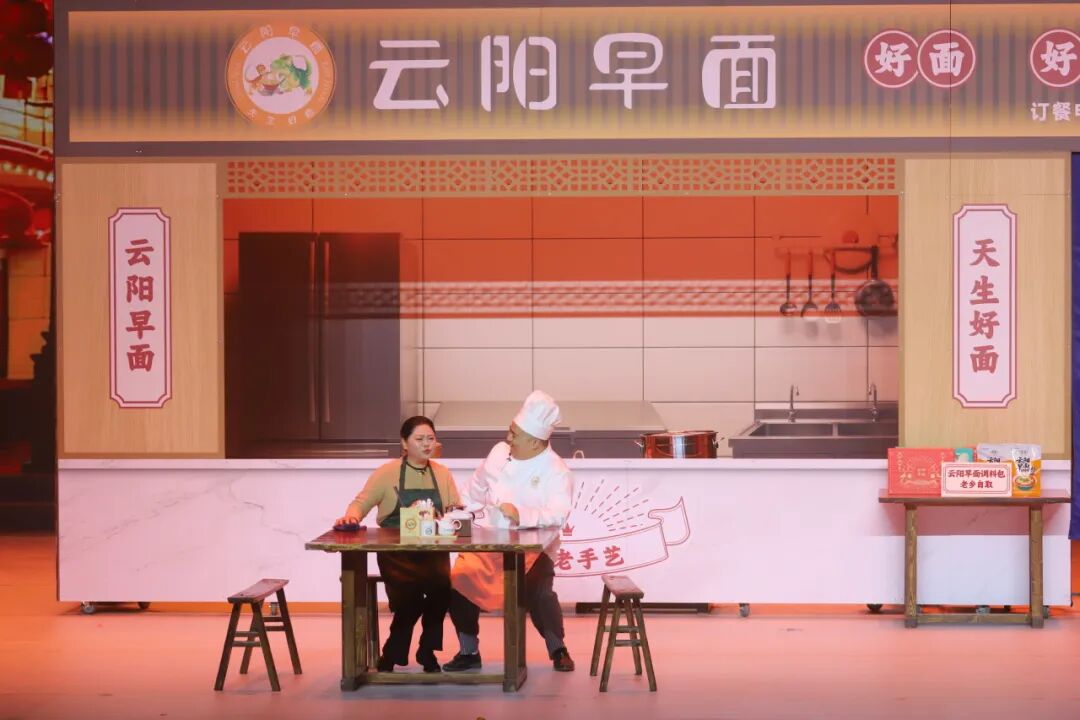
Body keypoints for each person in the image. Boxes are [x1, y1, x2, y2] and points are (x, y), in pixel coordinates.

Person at [442, 390, 576, 673]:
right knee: (460, 579)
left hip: (534, 549)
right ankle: (468, 651)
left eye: (515, 434)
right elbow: (473, 492)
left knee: (539, 592)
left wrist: (522, 514)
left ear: (535, 441)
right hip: (491, 543)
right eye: (510, 431)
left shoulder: (556, 470)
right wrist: (454, 511)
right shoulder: (498, 453)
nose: (509, 438)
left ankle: (558, 648)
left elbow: (558, 513)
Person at [335, 416, 460, 673]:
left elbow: (454, 508)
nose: (427, 444)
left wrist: (456, 516)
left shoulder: (442, 473)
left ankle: (426, 651)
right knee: (409, 601)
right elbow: (361, 503)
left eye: (431, 439)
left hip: (433, 550)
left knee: (442, 594)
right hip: (395, 552)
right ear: (404, 443)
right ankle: (393, 652)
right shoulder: (387, 473)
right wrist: (351, 517)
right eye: (419, 439)